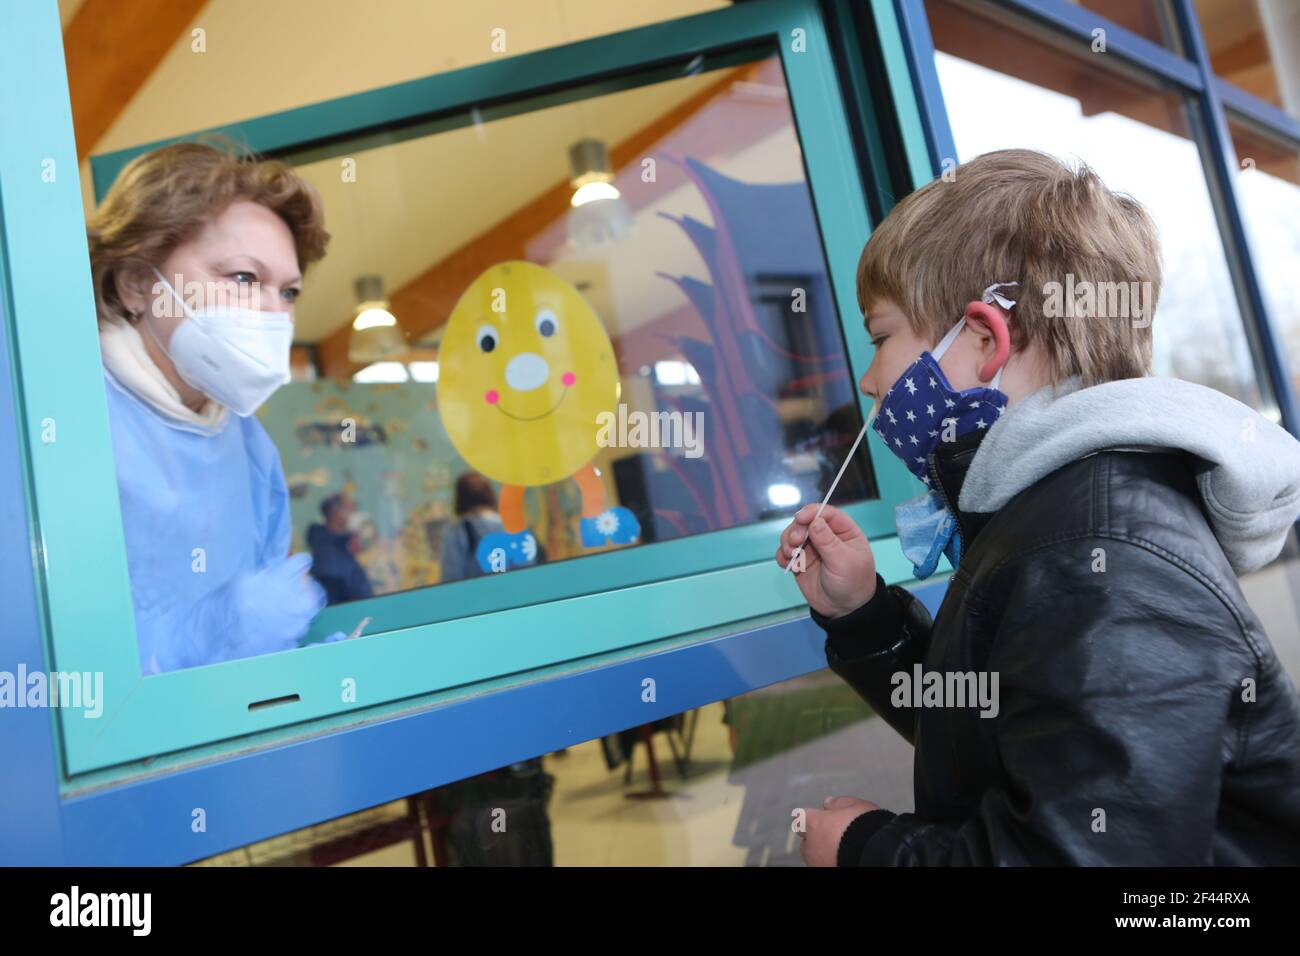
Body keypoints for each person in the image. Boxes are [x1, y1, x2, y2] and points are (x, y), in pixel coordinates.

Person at [777, 149, 1300, 865]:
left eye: (881, 336)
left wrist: (868, 849)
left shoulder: (1102, 553)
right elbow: (1012, 730)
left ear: (986, 339)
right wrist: (865, 616)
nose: (870, 379)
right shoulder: (1051, 513)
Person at [88, 141, 335, 673]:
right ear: (137, 283)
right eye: (244, 278)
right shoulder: (59, 427)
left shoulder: (250, 449)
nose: (273, 312)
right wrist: (203, 636)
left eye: (288, 292)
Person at [307, 492, 374, 605]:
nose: (355, 513)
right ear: (336, 513)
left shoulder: (339, 546)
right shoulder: (327, 552)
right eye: (351, 508)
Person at [439, 472, 506, 582]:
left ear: (460, 498)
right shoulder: (509, 526)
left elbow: (451, 577)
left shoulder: (458, 531)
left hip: (477, 596)